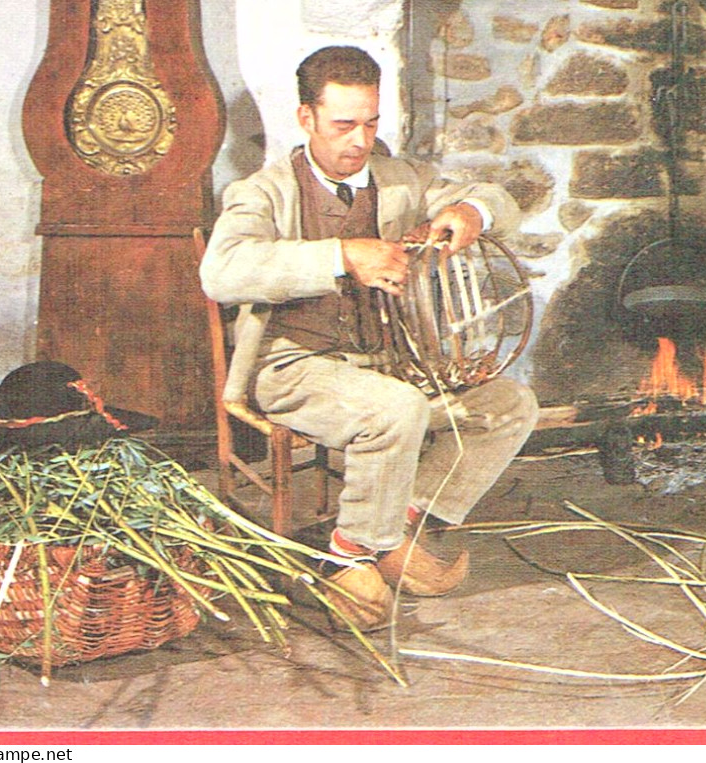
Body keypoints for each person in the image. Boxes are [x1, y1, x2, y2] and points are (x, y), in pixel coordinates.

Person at [201, 45, 538, 631]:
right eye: (343, 125)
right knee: (396, 409)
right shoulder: (263, 192)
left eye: (371, 122)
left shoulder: (399, 179)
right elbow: (221, 272)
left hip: (389, 364)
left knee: (509, 405)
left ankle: (389, 531)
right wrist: (339, 255)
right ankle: (352, 556)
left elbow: (499, 199)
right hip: (294, 369)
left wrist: (470, 212)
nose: (360, 140)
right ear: (306, 119)